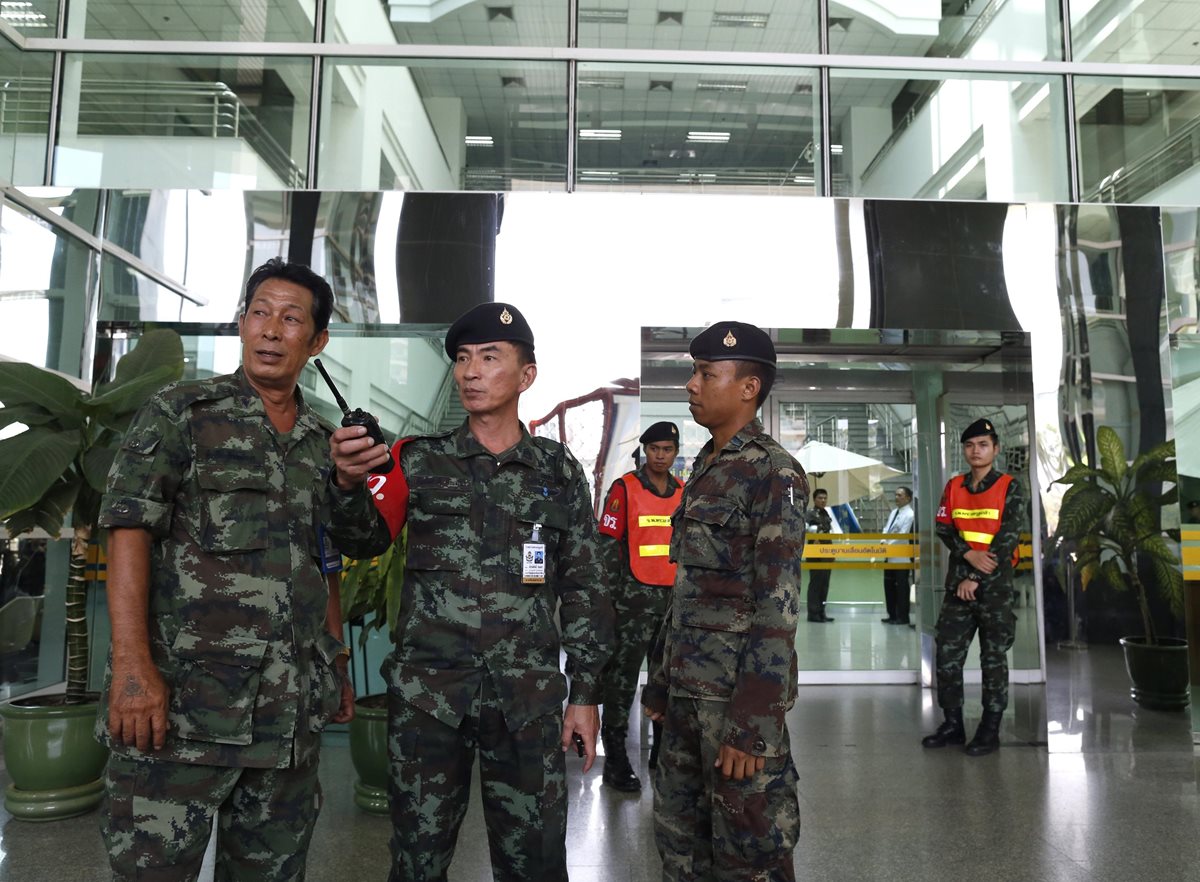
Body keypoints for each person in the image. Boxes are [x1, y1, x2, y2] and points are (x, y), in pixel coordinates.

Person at [97, 258, 365, 880]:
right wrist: (134, 668)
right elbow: (129, 530)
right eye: (260, 313)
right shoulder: (181, 413)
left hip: (288, 716)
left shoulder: (324, 443)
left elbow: (325, 560)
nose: (272, 330)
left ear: (317, 340)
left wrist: (337, 660)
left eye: (292, 318)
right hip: (182, 712)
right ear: (241, 324)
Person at [327, 302, 612, 882]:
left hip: (526, 701)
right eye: (461, 358)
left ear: (526, 375)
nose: (471, 371)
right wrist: (347, 483)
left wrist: (585, 693)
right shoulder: (418, 461)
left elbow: (584, 585)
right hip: (431, 700)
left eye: (489, 357)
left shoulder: (558, 473)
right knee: (417, 860)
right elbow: (361, 539)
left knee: (535, 860)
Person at [643, 321, 808, 882]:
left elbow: (776, 605)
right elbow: (689, 592)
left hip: (733, 708)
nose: (691, 384)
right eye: (693, 371)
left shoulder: (773, 472)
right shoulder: (706, 469)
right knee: (681, 846)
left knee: (749, 855)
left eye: (705, 373)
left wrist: (752, 722)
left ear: (748, 387)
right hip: (688, 698)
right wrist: (663, 682)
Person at [921, 418, 1024, 757]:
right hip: (958, 587)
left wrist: (975, 576)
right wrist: (967, 554)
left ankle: (989, 729)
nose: (975, 451)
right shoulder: (954, 486)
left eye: (983, 444)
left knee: (993, 659)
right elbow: (943, 527)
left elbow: (1007, 538)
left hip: (994, 588)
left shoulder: (1010, 486)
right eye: (969, 445)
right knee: (948, 655)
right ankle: (953, 725)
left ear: (995, 449)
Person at [596, 420, 684, 791]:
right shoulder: (624, 489)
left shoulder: (684, 490)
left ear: (676, 454)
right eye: (654, 449)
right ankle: (616, 761)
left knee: (667, 683)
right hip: (631, 603)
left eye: (667, 450)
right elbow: (606, 547)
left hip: (672, 604)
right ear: (644, 451)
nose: (661, 456)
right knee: (621, 682)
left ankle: (660, 756)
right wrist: (607, 602)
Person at [881, 486, 915, 625]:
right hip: (889, 556)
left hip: (901, 557)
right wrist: (883, 541)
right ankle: (892, 614)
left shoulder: (910, 515)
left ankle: (902, 616)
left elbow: (902, 535)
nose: (896, 497)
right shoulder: (894, 512)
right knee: (889, 585)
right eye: (895, 494)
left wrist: (888, 545)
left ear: (908, 498)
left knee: (901, 588)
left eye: (900, 495)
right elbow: (886, 528)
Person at [804, 488, 835, 623]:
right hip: (815, 553)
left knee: (825, 584)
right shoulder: (810, 514)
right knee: (816, 584)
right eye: (820, 498)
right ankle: (813, 613)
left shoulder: (826, 513)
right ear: (814, 499)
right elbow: (803, 528)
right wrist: (814, 531)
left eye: (825, 498)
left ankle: (822, 612)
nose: (823, 500)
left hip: (827, 552)